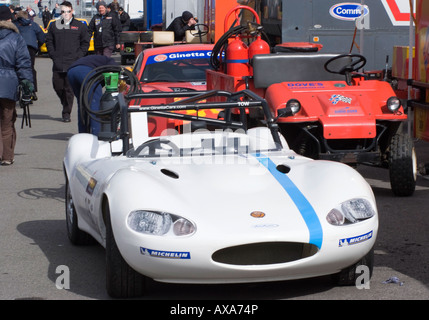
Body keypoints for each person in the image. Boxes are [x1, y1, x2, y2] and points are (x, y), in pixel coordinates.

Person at [0, 6, 34, 165]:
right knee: (7, 121)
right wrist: (27, 85)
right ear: (9, 19)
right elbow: (24, 65)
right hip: (9, 84)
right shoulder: (16, 38)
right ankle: (7, 157)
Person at [46, 1, 90, 122]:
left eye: (68, 11)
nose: (65, 14)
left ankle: (66, 113)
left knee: (69, 90)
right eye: (63, 11)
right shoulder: (55, 25)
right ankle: (65, 103)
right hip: (58, 62)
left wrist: (79, 56)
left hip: (73, 63)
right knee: (58, 87)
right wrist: (53, 54)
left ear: (72, 11)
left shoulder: (80, 26)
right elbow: (49, 41)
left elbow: (85, 42)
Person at [67, 55, 117, 135]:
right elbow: (113, 73)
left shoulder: (97, 61)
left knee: (82, 104)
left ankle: (83, 134)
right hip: (85, 72)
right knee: (95, 104)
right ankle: (97, 135)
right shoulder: (111, 62)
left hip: (71, 72)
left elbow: (101, 83)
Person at [14, 10, 45, 101]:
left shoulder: (14, 24)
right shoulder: (34, 24)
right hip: (31, 48)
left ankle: (17, 91)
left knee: (17, 68)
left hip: (18, 48)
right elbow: (42, 37)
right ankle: (33, 91)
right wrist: (37, 47)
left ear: (17, 17)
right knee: (31, 68)